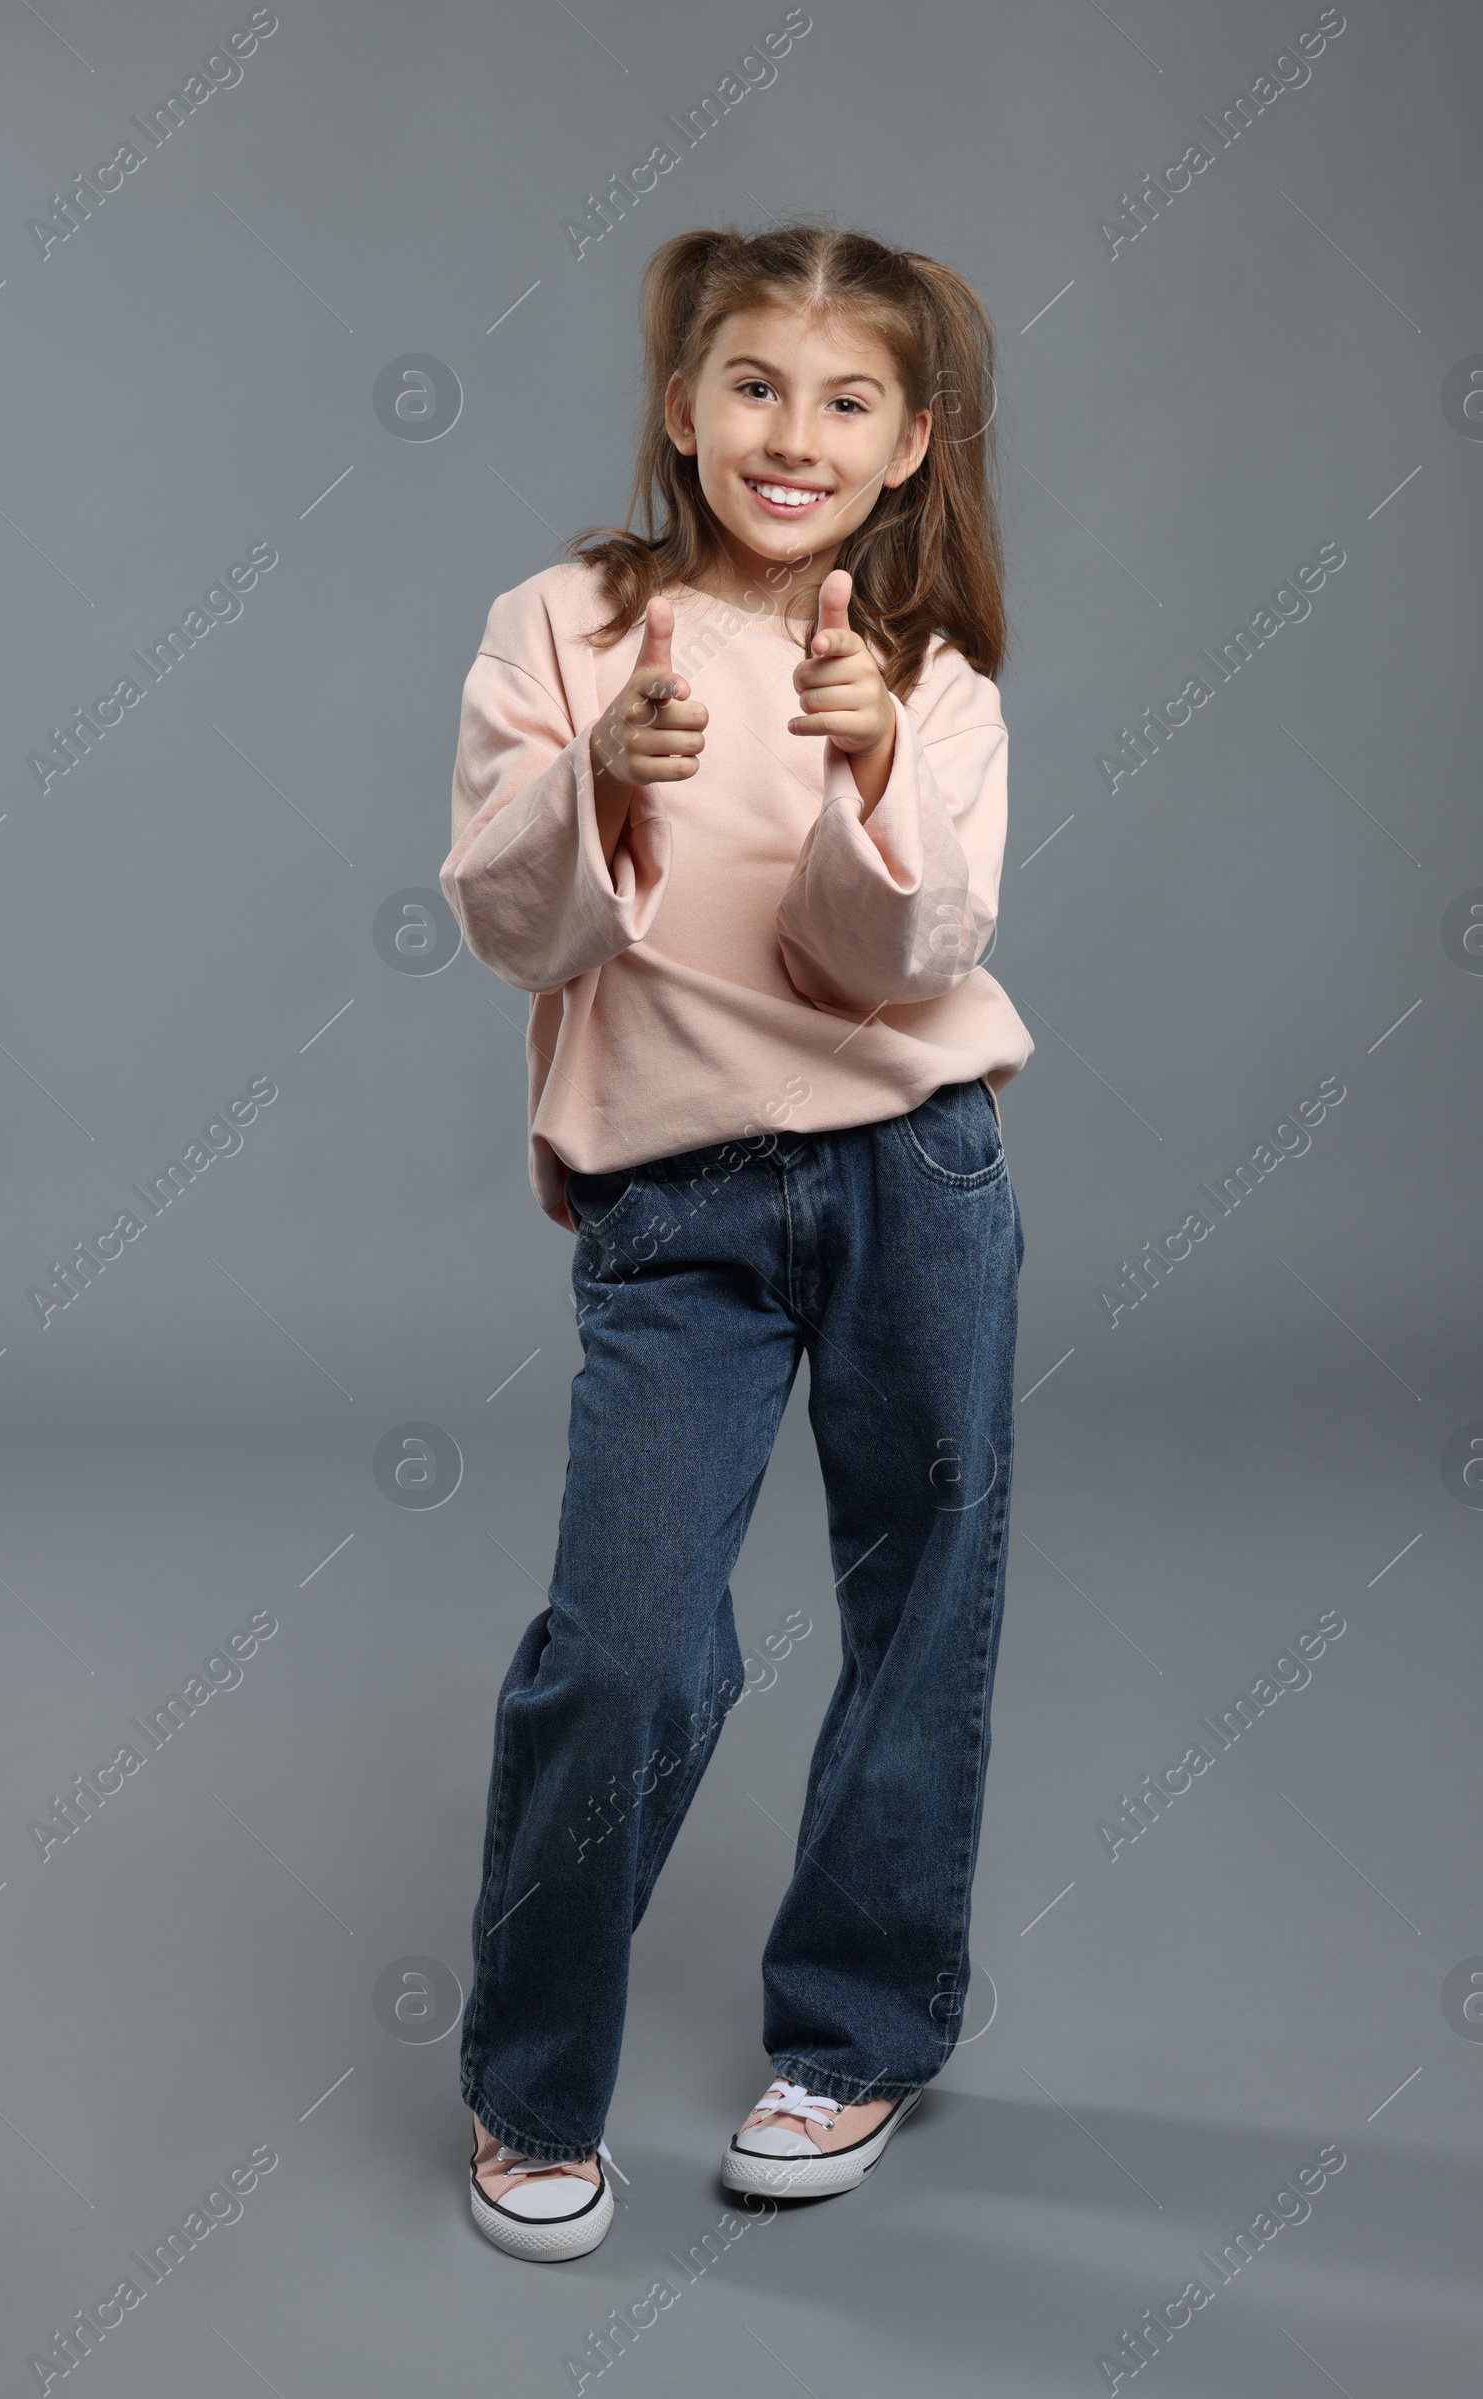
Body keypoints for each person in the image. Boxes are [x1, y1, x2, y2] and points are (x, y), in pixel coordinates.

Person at [439, 221, 1032, 2262]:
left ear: (906, 447)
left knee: (919, 1603)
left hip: (907, 1172)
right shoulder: (559, 625)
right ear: (679, 411)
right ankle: (531, 2091)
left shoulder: (928, 676)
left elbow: (894, 960)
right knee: (623, 1648)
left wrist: (864, 757)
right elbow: (508, 925)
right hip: (674, 1195)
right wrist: (596, 782)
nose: (792, 434)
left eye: (843, 401)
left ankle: (855, 2038)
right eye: (753, 388)